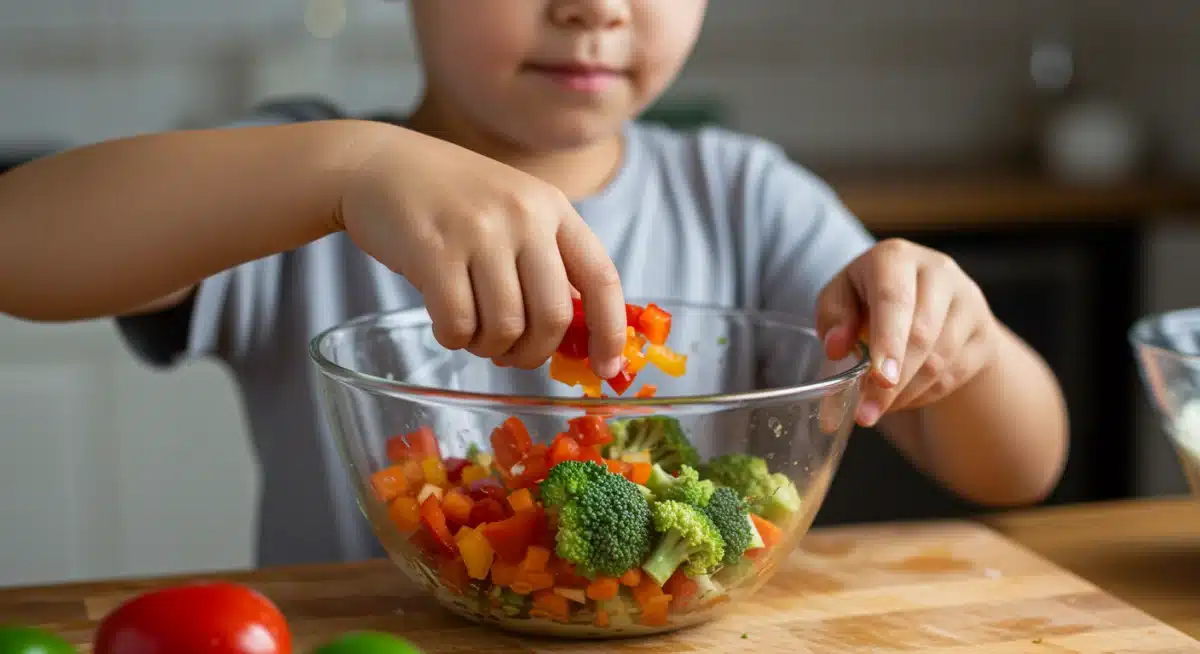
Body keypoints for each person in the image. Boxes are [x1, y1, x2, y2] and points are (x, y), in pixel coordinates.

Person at [0, 0, 1068, 567]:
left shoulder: (745, 193)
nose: (596, 6)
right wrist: (347, 171)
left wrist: (952, 337)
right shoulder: (305, 181)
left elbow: (1020, 464)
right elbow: (20, 247)